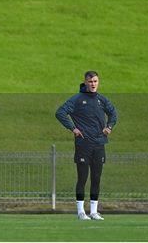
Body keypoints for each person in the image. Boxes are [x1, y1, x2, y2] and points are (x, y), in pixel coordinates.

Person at [55, 71, 117, 220]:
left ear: (98, 82)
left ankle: (94, 212)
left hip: (99, 144)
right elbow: (60, 112)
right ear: (85, 82)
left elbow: (113, 113)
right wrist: (73, 128)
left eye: (95, 81)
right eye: (90, 81)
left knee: (96, 178)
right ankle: (81, 212)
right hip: (83, 144)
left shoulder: (102, 100)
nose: (93, 84)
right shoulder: (77, 99)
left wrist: (109, 127)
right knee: (82, 178)